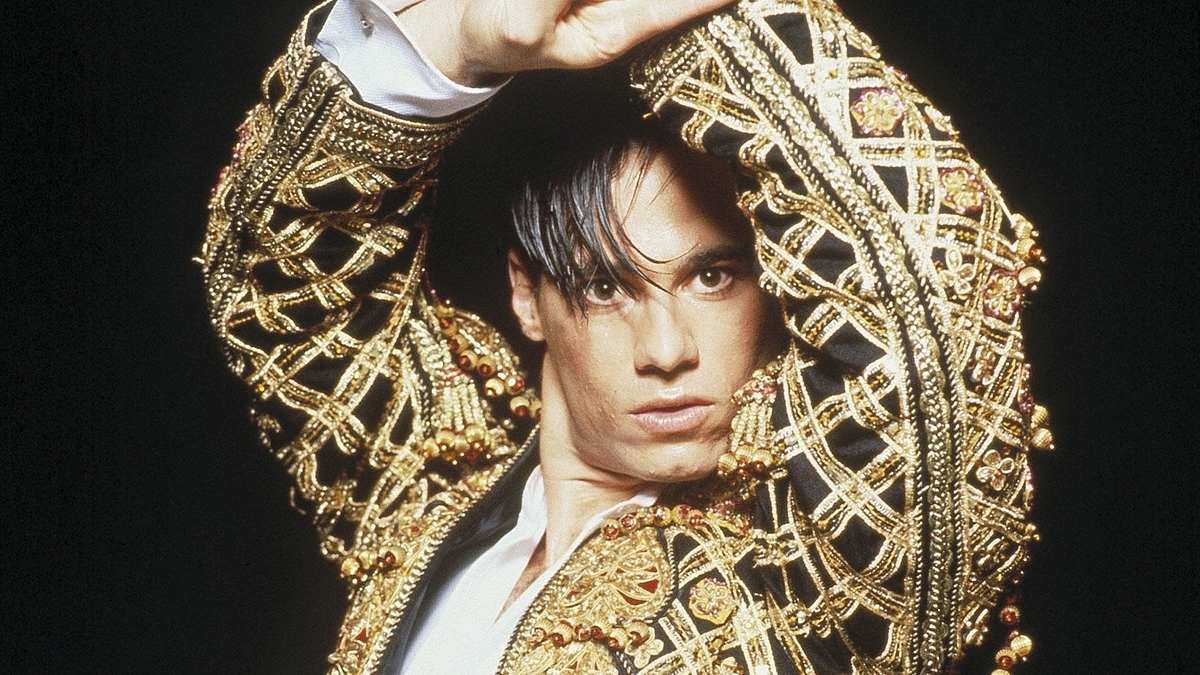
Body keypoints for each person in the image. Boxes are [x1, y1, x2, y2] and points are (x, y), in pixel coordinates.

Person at [197, 0, 1053, 673]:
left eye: (713, 277)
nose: (668, 349)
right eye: (606, 287)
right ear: (528, 295)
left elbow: (928, 289)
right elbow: (281, 277)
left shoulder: (810, 577)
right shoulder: (428, 494)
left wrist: (649, 15)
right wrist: (455, 40)